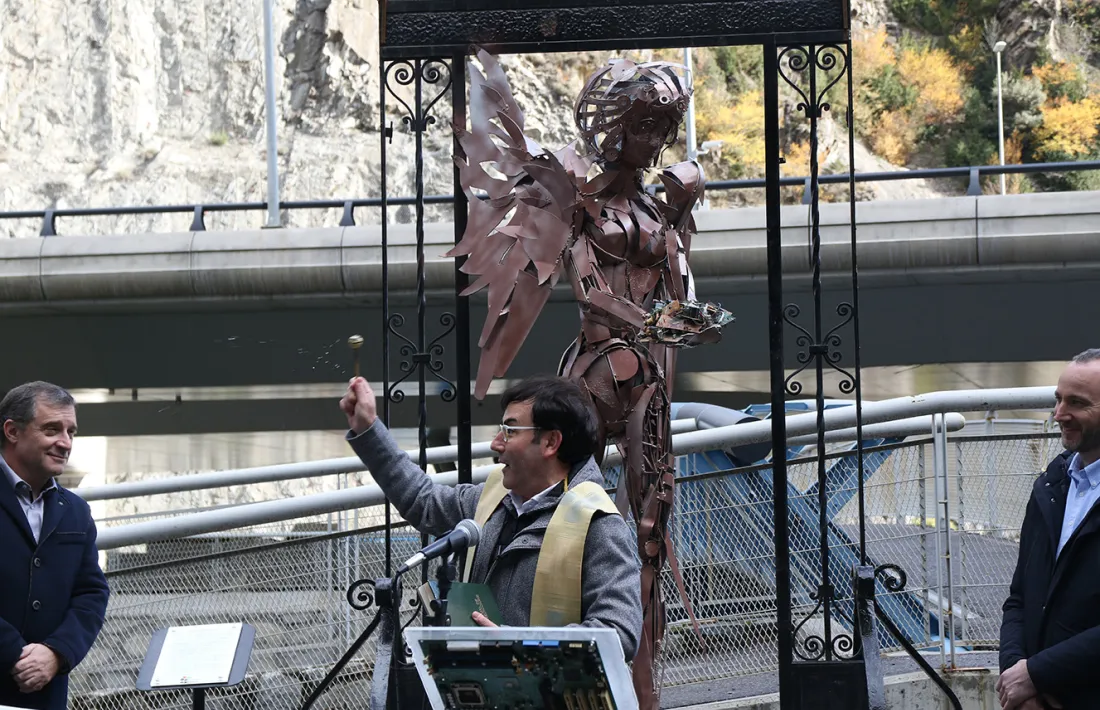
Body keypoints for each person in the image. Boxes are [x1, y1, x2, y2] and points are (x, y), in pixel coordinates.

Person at [340, 374, 642, 659]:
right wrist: (369, 431)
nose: (496, 443)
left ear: (551, 442)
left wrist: (519, 645)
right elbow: (423, 501)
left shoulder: (597, 523)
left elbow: (619, 632)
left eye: (510, 430)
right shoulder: (491, 498)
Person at [999, 349, 1100, 710]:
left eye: (1077, 403)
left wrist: (1036, 675)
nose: (1059, 414)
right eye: (1058, 399)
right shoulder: (1051, 485)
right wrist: (1017, 678)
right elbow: (1019, 598)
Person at [0, 381, 109, 709]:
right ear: (12, 431)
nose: (65, 442)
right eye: (51, 429)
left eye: (71, 432)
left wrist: (57, 652)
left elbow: (91, 593)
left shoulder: (76, 511)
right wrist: (15, 654)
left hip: (45, 695)